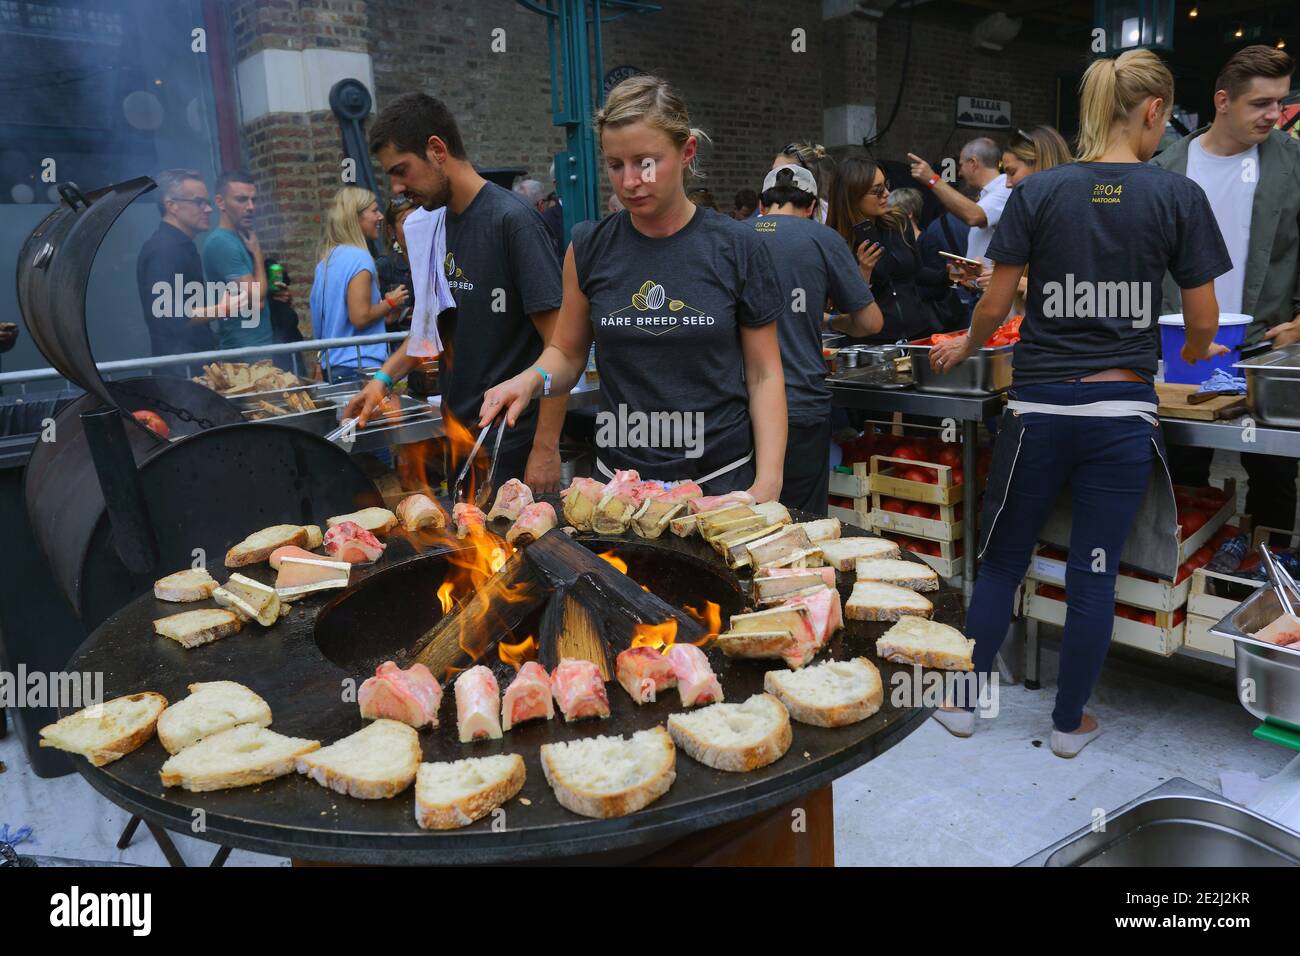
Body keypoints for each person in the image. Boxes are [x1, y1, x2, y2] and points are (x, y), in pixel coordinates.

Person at [929, 49, 1231, 757]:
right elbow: (1204, 323)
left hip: (1037, 412)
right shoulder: (1176, 195)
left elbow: (995, 301)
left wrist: (971, 347)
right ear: (1153, 111)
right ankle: (1069, 726)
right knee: (1095, 569)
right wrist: (1203, 351)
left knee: (1003, 561)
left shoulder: (1038, 192)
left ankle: (966, 703)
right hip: (1122, 417)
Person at [478, 74, 787, 499]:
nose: (629, 182)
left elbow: (764, 373)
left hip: (719, 481)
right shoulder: (589, 246)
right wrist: (531, 379)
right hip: (622, 486)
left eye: (645, 162)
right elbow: (566, 354)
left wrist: (767, 483)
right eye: (615, 164)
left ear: (686, 152)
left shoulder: (737, 246)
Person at [343, 92, 566, 492]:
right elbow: (428, 330)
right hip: (460, 433)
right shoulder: (435, 224)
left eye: (401, 171)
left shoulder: (513, 221)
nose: (395, 188)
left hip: (512, 439)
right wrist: (381, 381)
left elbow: (561, 347)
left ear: (436, 150)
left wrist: (546, 449)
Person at [1152, 44, 1300, 542]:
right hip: (1183, 348)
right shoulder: (1167, 169)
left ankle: (1266, 589)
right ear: (1222, 101)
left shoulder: (1292, 161)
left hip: (1266, 347)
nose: (1275, 115)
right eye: (1261, 103)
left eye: (1280, 102)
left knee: (1276, 477)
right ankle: (1191, 581)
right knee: (1182, 472)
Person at [756, 164, 882, 513]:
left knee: (743, 519)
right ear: (812, 206)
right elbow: (871, 322)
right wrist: (834, 321)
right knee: (800, 521)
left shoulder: (732, 235)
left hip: (736, 407)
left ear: (761, 204)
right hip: (799, 402)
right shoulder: (823, 238)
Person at [827, 157, 948, 342]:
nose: (887, 194)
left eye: (886, 185)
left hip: (919, 334)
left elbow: (915, 273)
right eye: (877, 191)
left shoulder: (899, 222)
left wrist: (950, 275)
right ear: (853, 195)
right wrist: (863, 273)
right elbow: (840, 306)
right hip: (873, 344)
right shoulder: (834, 241)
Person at [135, 169, 242, 361]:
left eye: (208, 203)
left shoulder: (180, 246)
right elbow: (168, 314)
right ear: (172, 206)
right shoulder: (163, 249)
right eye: (199, 202)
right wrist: (223, 309)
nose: (208, 209)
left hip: (193, 366)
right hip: (180, 374)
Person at [308, 187, 409, 384]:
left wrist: (383, 317)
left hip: (334, 367)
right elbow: (360, 317)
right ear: (356, 217)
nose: (380, 217)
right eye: (374, 211)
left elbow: (326, 321)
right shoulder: (360, 259)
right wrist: (390, 302)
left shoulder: (326, 261)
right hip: (360, 367)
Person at [907, 136, 1013, 267]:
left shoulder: (1005, 188)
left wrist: (932, 180)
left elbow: (974, 216)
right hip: (979, 284)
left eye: (961, 165)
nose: (960, 173)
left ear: (973, 163)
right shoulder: (988, 194)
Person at [202, 170, 274, 355]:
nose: (250, 207)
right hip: (243, 353)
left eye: (253, 200)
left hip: (258, 347)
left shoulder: (241, 237)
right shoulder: (221, 243)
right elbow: (256, 299)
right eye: (241, 200)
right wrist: (257, 253)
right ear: (220, 202)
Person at [375, 197, 416, 328]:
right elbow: (375, 316)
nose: (414, 226)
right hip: (396, 344)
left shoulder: (435, 260)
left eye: (418, 220)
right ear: (391, 230)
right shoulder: (384, 266)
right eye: (406, 222)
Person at [774, 141, 833, 222]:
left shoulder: (828, 216)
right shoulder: (765, 213)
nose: (773, 180)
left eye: (783, 173)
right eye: (772, 173)